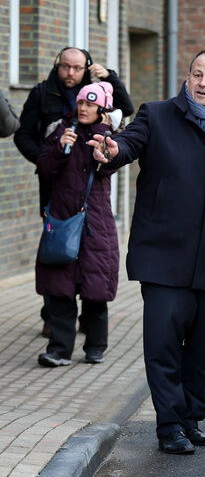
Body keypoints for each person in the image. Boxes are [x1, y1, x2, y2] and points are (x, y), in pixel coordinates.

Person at [91, 49, 205, 455]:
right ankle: (169, 425)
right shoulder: (157, 114)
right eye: (198, 74)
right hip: (165, 254)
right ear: (188, 77)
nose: (203, 83)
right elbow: (127, 145)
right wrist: (109, 151)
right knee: (162, 343)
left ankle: (191, 418)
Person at [14, 47, 133, 338]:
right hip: (56, 188)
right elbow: (23, 134)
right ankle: (53, 318)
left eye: (76, 68)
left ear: (86, 69)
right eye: (65, 67)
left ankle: (88, 328)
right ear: (57, 66)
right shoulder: (43, 93)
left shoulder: (95, 93)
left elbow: (126, 108)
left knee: (90, 260)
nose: (70, 73)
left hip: (89, 194)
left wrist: (112, 78)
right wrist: (48, 157)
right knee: (57, 251)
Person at [35, 82, 120, 367]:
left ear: (102, 109)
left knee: (94, 289)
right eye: (81, 103)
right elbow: (44, 169)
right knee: (59, 290)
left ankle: (95, 347)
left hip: (95, 223)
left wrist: (100, 135)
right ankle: (59, 349)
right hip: (61, 220)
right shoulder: (62, 130)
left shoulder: (107, 136)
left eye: (91, 105)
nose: (84, 108)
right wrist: (59, 148)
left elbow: (109, 166)